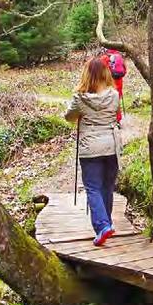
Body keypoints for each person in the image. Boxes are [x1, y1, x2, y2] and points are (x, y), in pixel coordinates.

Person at [65, 55, 122, 246]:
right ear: (106, 73)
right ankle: (107, 223)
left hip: (90, 148)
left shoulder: (80, 98)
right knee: (107, 187)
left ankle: (102, 225)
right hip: (111, 146)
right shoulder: (114, 95)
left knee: (93, 188)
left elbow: (69, 117)